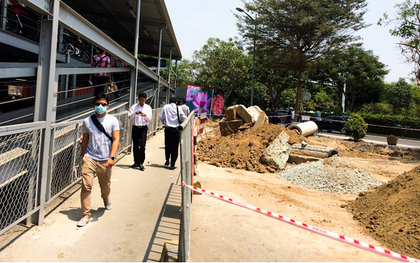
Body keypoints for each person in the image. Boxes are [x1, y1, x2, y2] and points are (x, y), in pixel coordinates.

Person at [78, 93, 120, 227]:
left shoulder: (113, 120)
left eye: (103, 104)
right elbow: (85, 140)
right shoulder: (87, 121)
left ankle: (106, 198)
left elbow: (116, 139)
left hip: (105, 160)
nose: (100, 107)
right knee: (86, 186)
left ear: (107, 106)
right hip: (90, 158)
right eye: (97, 104)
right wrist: (83, 155)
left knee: (105, 186)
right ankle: (85, 214)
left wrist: (112, 157)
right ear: (93, 106)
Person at [159, 97, 187, 170]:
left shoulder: (165, 107)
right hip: (176, 130)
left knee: (167, 145)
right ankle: (172, 164)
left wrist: (164, 122)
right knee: (175, 147)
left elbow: (160, 116)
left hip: (167, 129)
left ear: (169, 101)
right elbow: (183, 117)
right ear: (176, 102)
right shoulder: (179, 108)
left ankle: (167, 160)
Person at [128, 92, 152, 171]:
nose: (141, 101)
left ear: (145, 100)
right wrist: (135, 113)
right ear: (138, 99)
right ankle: (136, 162)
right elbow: (129, 117)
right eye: (140, 100)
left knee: (142, 145)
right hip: (135, 127)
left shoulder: (148, 107)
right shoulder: (134, 107)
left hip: (143, 128)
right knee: (135, 145)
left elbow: (150, 119)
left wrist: (145, 115)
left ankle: (141, 162)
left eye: (143, 100)